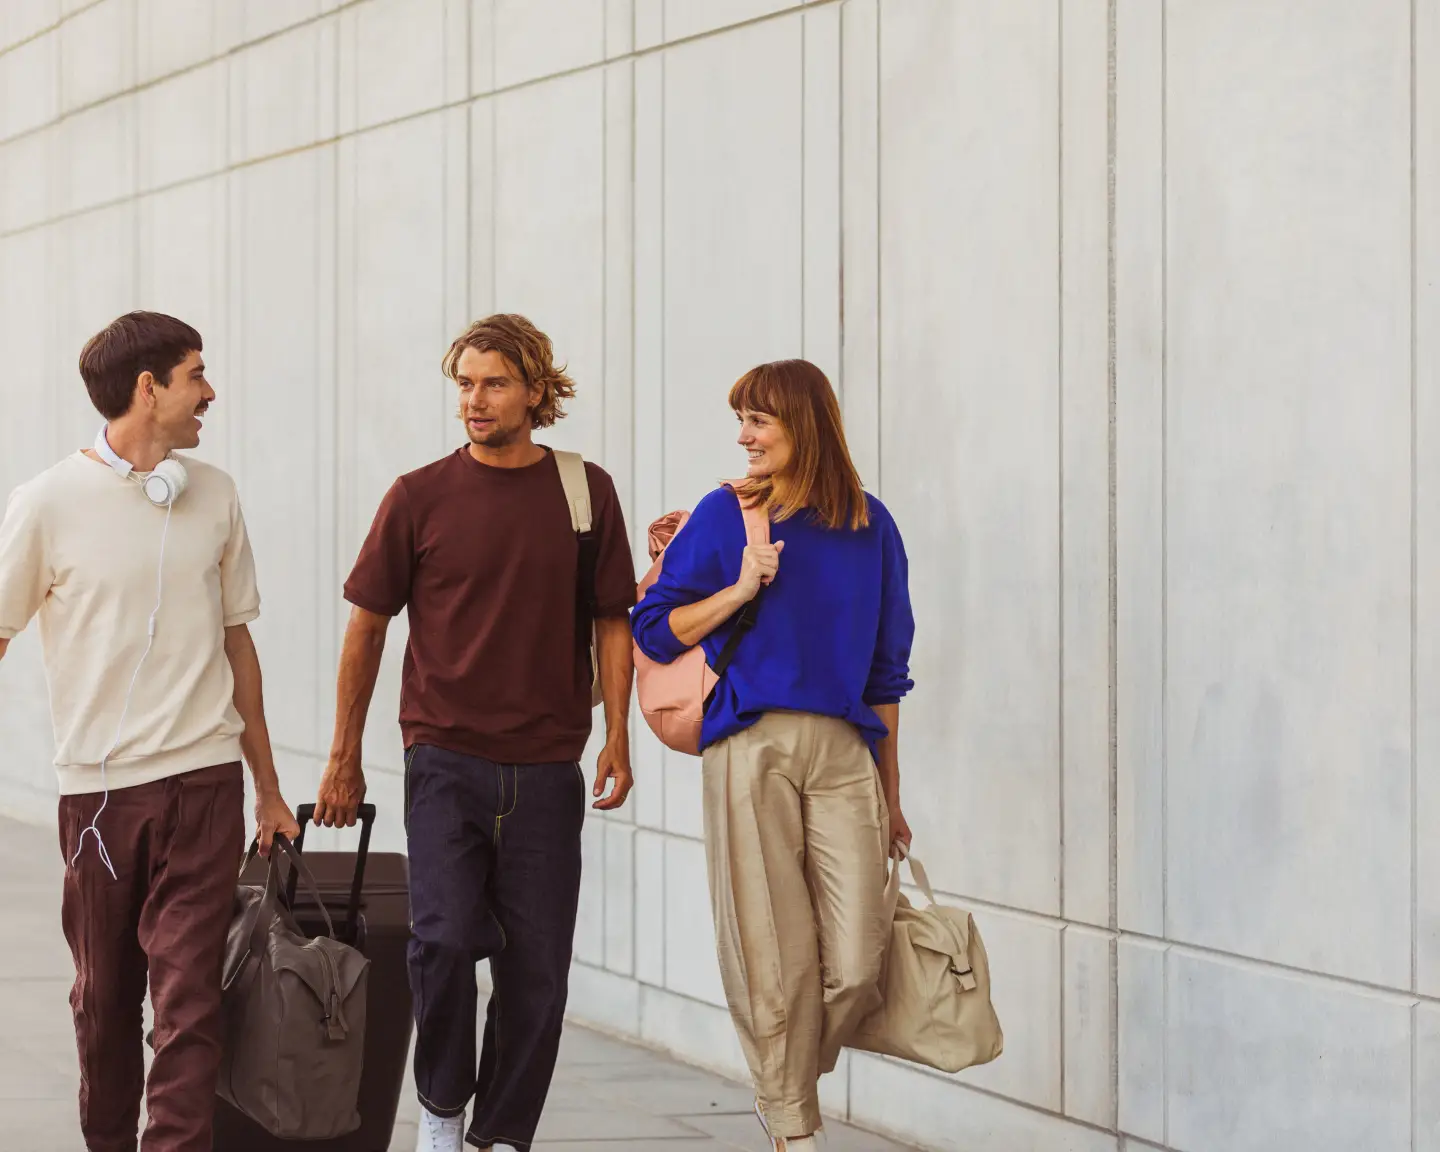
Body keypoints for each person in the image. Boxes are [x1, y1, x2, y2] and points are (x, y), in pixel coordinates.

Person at [313, 313, 637, 1152]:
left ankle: (502, 1134)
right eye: (464, 383)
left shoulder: (585, 492)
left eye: (494, 383)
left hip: (548, 766)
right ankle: (442, 1106)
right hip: (444, 758)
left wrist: (618, 736)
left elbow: (613, 620)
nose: (475, 400)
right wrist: (343, 756)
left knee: (538, 972)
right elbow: (367, 626)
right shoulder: (418, 495)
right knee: (443, 941)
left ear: (535, 390)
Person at [0, 311, 300, 1152]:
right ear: (148, 387)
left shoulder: (216, 494)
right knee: (104, 1000)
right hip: (99, 798)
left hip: (205, 783)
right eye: (196, 375)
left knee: (189, 1000)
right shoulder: (46, 503)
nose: (210, 392)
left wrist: (269, 789)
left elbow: (239, 646)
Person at [630, 359, 915, 1152]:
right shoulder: (727, 514)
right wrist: (737, 591)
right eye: (742, 421)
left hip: (845, 750)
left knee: (857, 960)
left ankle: (781, 1083)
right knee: (770, 947)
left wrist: (891, 794)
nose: (744, 437)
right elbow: (652, 629)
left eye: (759, 421)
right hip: (749, 742)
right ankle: (793, 1125)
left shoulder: (871, 525)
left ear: (805, 425)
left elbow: (887, 672)